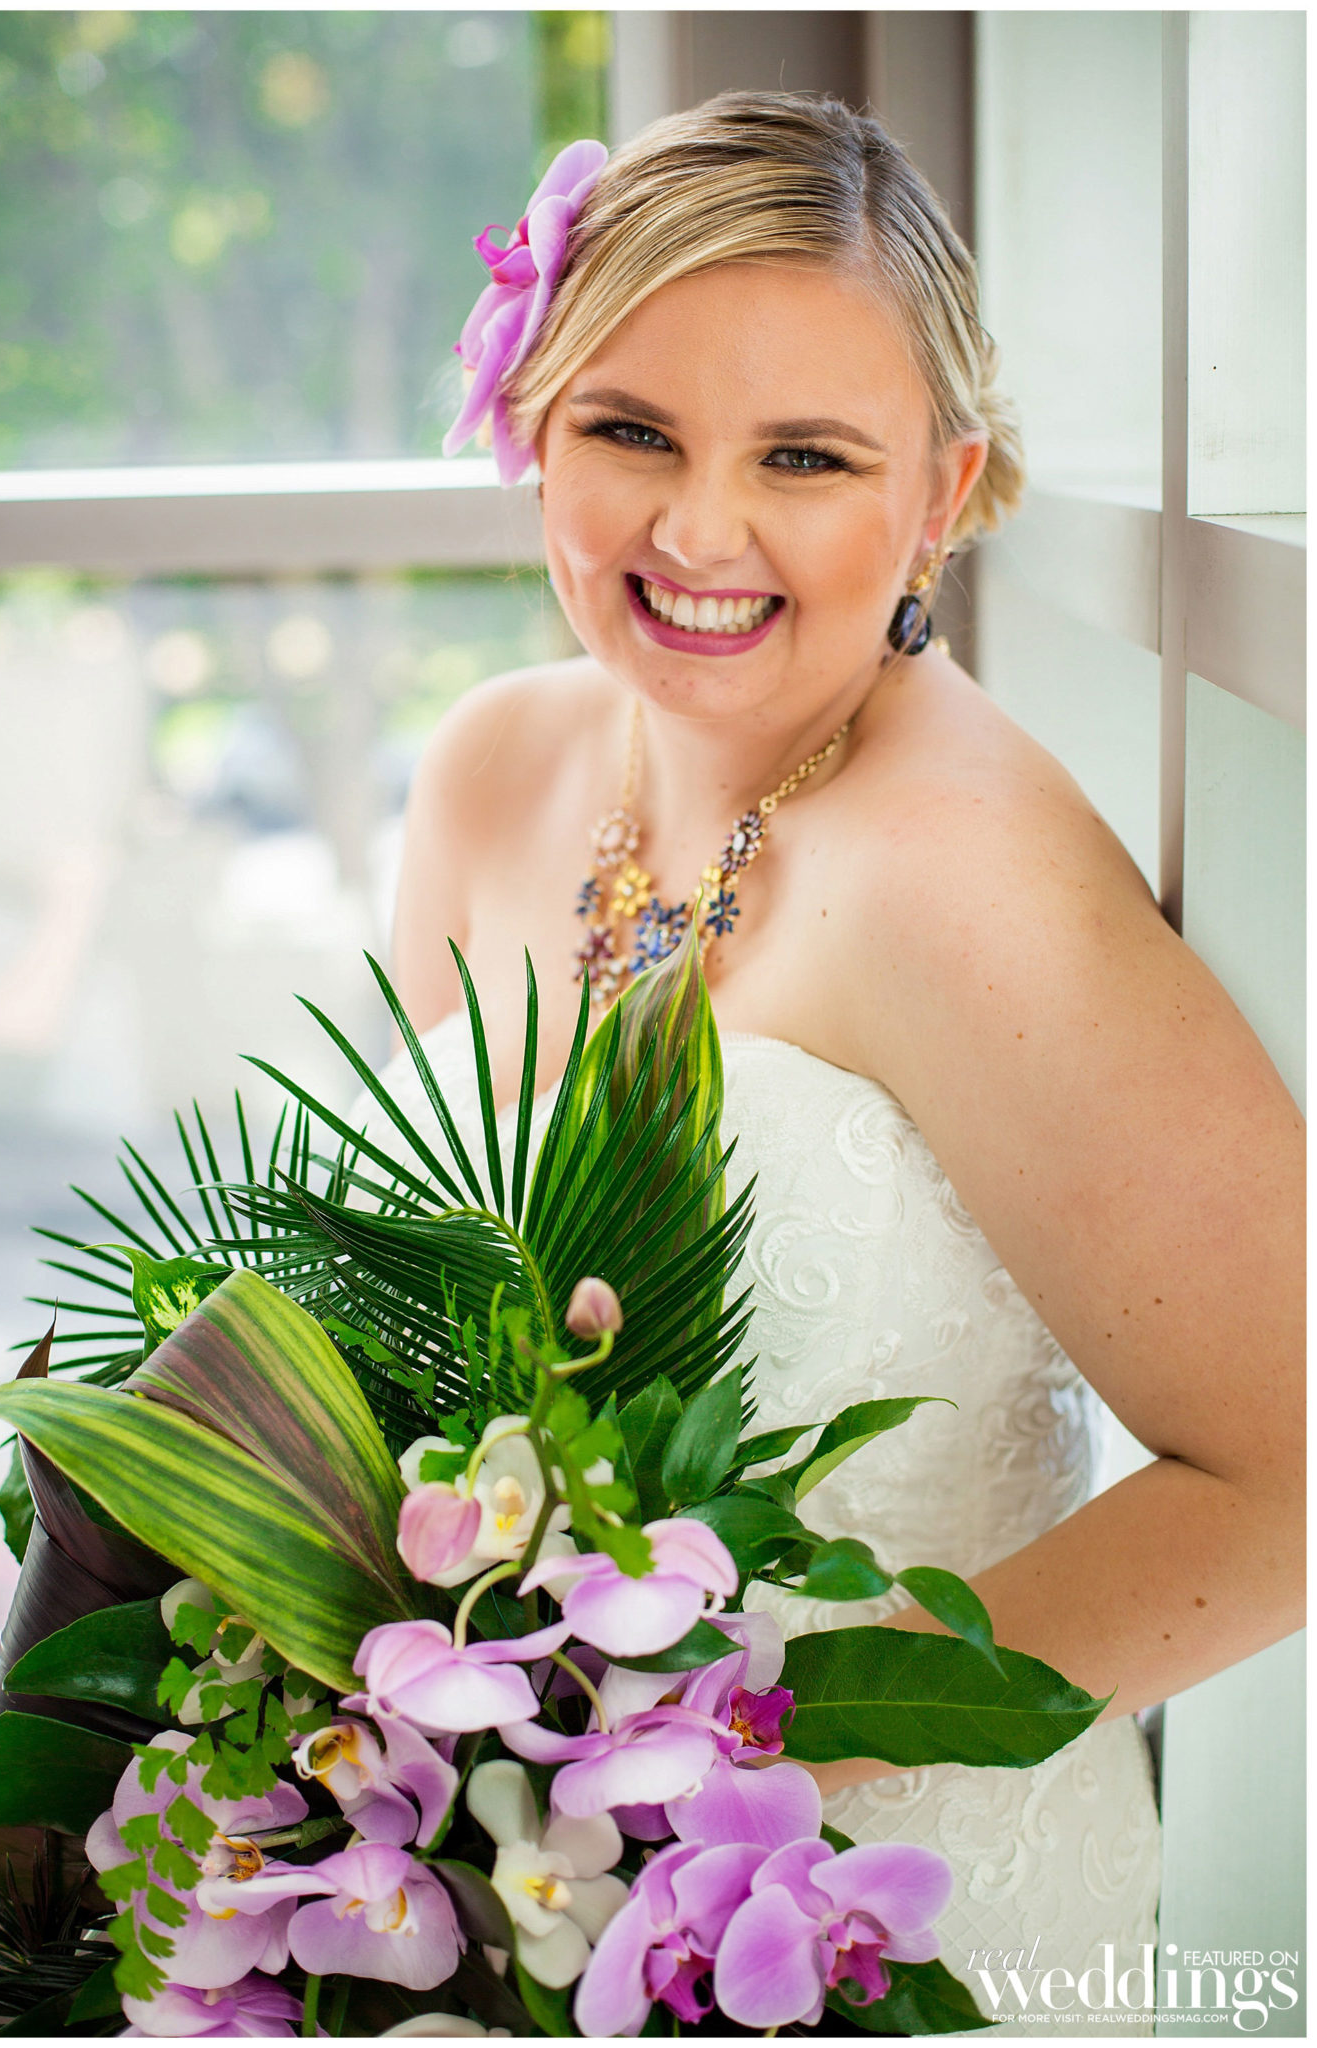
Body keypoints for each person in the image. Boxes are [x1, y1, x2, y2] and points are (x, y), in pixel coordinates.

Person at [361, 95, 1303, 2034]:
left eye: (803, 455)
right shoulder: (488, 772)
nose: (698, 531)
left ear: (939, 492)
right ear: (531, 418)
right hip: (516, 1887)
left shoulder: (972, 883)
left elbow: (1291, 1472)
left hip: (893, 1906)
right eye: (631, 431)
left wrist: (742, 1758)